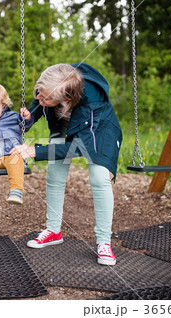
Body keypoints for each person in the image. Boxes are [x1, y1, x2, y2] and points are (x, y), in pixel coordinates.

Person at [11, 63, 122, 266]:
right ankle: (53, 230)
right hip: (64, 121)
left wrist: (35, 151)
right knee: (55, 173)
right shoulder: (56, 80)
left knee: (99, 177)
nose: (39, 99)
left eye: (45, 98)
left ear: (66, 99)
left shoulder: (92, 103)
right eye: (39, 94)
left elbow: (79, 147)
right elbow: (39, 101)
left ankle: (104, 242)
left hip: (99, 130)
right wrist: (29, 116)